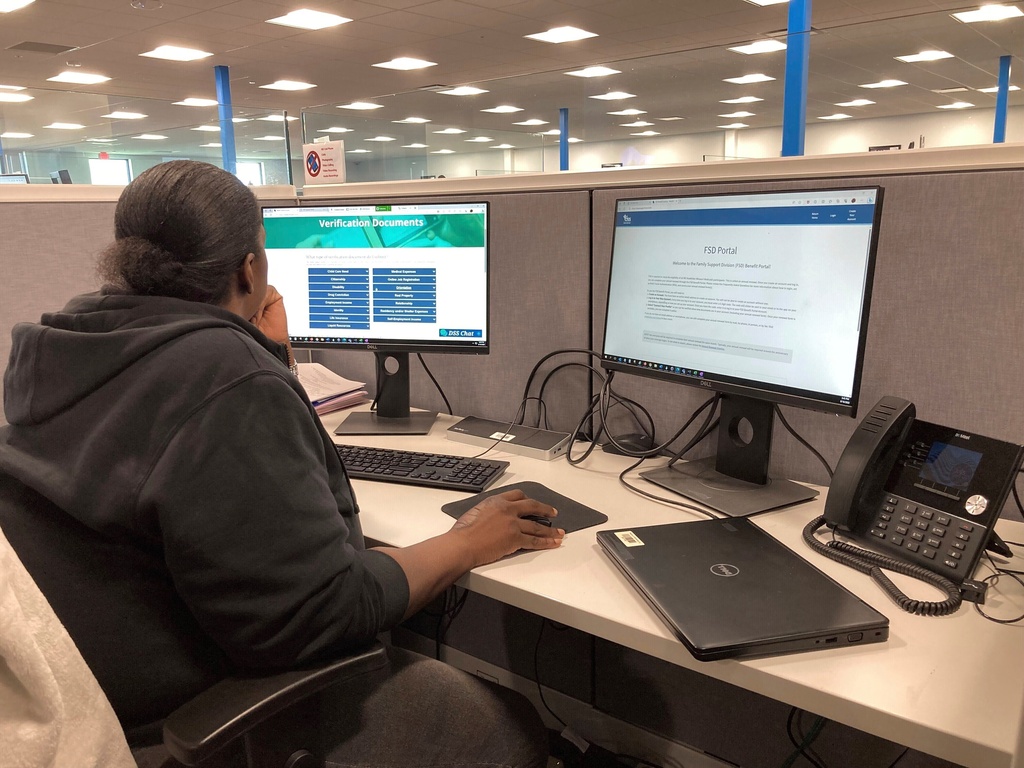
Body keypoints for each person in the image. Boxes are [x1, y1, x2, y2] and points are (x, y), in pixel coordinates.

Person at [0, 160, 562, 767]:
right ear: (250, 268)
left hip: (87, 685)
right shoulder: (221, 373)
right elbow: (324, 611)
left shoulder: (66, 345)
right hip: (189, 709)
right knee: (509, 725)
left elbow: (184, 445)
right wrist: (467, 542)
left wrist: (267, 360)